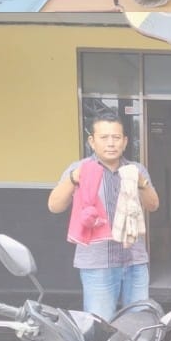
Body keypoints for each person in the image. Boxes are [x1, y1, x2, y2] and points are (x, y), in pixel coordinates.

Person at [48, 113, 160, 320]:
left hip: (134, 260)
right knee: (100, 323)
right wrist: (73, 179)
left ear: (125, 141)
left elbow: (153, 206)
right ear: (92, 141)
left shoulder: (136, 170)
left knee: (139, 322)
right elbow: (54, 206)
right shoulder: (79, 169)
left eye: (116, 138)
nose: (111, 143)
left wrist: (142, 182)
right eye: (104, 137)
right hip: (96, 262)